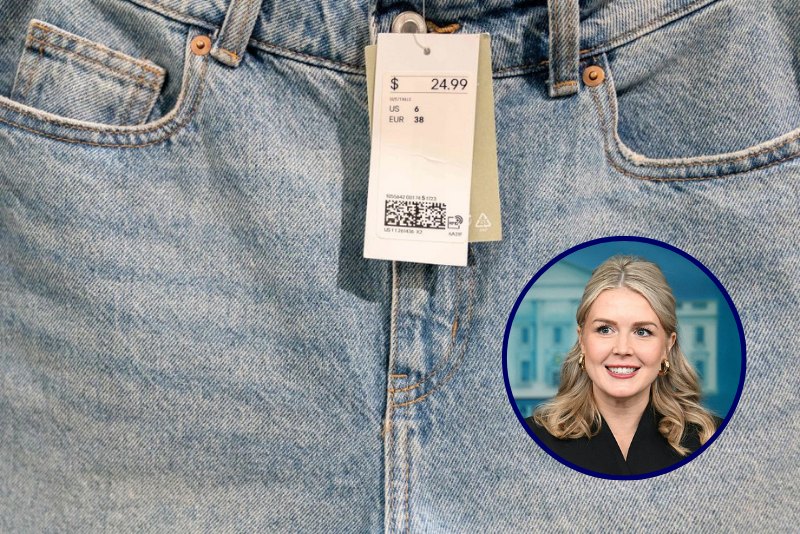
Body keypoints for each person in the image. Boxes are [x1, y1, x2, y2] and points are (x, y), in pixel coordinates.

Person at [526, 255, 721, 476]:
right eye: (605, 329)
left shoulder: (712, 437)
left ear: (668, 345)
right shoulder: (527, 438)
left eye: (642, 332)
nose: (622, 348)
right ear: (582, 340)